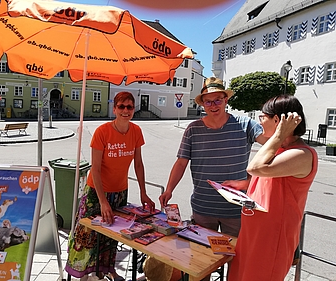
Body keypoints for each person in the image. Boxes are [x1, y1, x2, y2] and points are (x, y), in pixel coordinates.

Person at [159, 77, 267, 239]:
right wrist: (169, 189)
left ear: (226, 100)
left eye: (217, 100)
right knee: (203, 259)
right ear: (202, 104)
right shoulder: (193, 129)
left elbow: (272, 147)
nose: (213, 106)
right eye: (208, 102)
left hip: (235, 210)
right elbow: (181, 163)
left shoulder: (246, 124)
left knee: (235, 259)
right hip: (203, 208)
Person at [65, 91, 155, 281]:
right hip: (96, 192)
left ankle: (108, 270)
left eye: (129, 107)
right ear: (114, 109)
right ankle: (81, 273)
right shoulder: (102, 132)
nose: (125, 110)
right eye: (121, 106)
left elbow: (138, 164)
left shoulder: (136, 131)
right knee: (86, 235)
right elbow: (95, 169)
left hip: (120, 192)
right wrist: (103, 201)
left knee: (113, 236)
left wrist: (143, 193)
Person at [227, 95, 318, 281]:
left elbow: (255, 168)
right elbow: (267, 181)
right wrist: (243, 185)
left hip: (271, 239)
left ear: (277, 120)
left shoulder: (301, 154)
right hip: (253, 233)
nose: (258, 121)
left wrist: (278, 135)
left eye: (262, 117)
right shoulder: (279, 149)